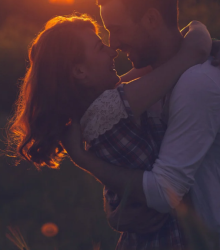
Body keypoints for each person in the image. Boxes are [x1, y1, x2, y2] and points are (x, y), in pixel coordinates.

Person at [6, 13, 213, 249]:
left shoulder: (101, 107)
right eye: (99, 47)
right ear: (80, 72)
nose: (111, 51)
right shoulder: (109, 110)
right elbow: (190, 54)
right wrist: (198, 28)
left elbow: (161, 65)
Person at [62, 0, 220, 248]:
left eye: (117, 29)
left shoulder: (197, 83)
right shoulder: (147, 88)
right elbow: (127, 161)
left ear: (151, 20)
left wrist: (84, 159)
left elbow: (162, 191)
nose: (112, 44)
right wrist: (116, 210)